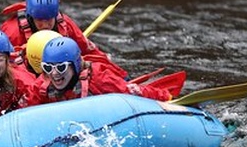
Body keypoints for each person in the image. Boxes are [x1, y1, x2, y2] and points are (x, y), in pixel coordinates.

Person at [0, 0, 125, 76]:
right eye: (40, 20)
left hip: (60, 74)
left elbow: (90, 52)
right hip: (27, 75)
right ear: (31, 16)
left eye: (49, 19)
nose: (45, 25)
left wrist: (119, 75)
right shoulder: (12, 31)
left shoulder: (64, 24)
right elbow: (5, 67)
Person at [27, 37, 171, 106]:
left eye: (61, 67)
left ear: (75, 65)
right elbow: (25, 108)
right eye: (48, 67)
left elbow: (133, 91)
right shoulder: (42, 85)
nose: (54, 73)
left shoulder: (99, 78)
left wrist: (166, 98)